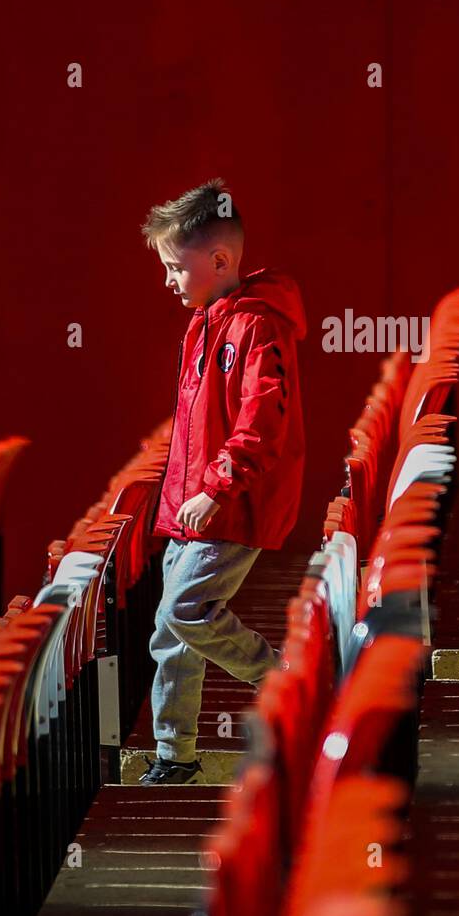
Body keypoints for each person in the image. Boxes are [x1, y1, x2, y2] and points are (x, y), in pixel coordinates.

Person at [137, 178, 306, 782]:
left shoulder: (260, 326)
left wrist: (216, 487)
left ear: (217, 261)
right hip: (195, 504)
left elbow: (264, 422)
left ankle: (286, 677)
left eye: (173, 268)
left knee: (186, 612)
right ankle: (174, 754)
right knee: (171, 632)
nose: (167, 281)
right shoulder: (205, 322)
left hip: (233, 504)